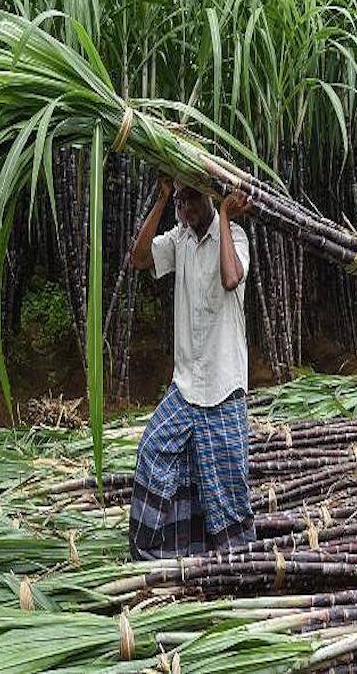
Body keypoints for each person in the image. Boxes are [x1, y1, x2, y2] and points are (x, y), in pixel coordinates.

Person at [127, 176, 256, 558]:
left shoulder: (235, 239)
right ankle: (157, 555)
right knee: (152, 450)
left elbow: (232, 278)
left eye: (191, 201)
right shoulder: (179, 238)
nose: (185, 211)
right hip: (185, 387)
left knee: (227, 487)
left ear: (209, 198)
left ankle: (240, 564)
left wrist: (228, 217)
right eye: (181, 203)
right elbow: (138, 258)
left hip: (223, 385)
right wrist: (163, 196)